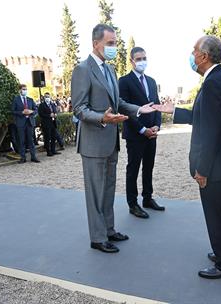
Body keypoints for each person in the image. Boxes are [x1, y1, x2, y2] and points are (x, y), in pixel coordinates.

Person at [153, 35, 221, 279]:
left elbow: (211, 131)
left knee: (218, 214)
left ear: (204, 56)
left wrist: (202, 169)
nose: (191, 55)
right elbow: (205, 116)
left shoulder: (214, 82)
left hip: (216, 166)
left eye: (194, 51)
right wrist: (175, 111)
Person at [71, 24, 155, 254]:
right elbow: (79, 109)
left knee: (108, 189)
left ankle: (108, 230)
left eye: (115, 43)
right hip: (93, 143)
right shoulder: (82, 69)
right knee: (95, 192)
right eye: (110, 44)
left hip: (110, 142)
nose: (114, 48)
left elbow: (118, 104)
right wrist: (103, 118)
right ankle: (97, 238)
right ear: (95, 43)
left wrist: (140, 110)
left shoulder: (109, 70)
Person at [119, 46, 163, 219]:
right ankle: (133, 204)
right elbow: (124, 109)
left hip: (152, 133)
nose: (142, 61)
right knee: (133, 169)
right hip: (135, 134)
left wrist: (157, 126)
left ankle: (147, 198)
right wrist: (142, 129)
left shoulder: (151, 81)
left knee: (149, 167)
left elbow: (157, 105)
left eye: (144, 58)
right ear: (131, 61)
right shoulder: (124, 81)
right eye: (138, 59)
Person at [11, 84, 40, 164]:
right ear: (20, 90)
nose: (25, 91)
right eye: (23, 89)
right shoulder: (16, 100)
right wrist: (21, 112)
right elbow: (13, 111)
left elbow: (36, 109)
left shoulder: (30, 99)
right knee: (22, 140)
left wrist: (32, 112)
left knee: (31, 140)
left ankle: (33, 157)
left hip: (30, 122)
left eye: (26, 89)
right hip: (21, 123)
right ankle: (23, 158)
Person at [38, 92, 60, 157]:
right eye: (46, 97)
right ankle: (48, 151)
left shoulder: (52, 104)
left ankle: (53, 150)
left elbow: (55, 110)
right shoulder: (41, 105)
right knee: (47, 138)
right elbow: (41, 114)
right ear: (44, 98)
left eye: (48, 97)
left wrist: (55, 114)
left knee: (53, 137)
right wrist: (49, 115)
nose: (47, 98)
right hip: (46, 123)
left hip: (53, 123)